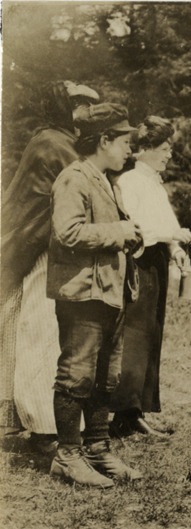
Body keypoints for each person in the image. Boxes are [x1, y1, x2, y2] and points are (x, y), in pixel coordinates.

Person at [47, 102, 144, 487]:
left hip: (109, 293)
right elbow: (67, 233)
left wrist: (130, 235)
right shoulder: (74, 178)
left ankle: (98, 450)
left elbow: (108, 232)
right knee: (77, 375)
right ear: (104, 140)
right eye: (125, 142)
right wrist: (118, 232)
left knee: (106, 376)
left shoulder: (105, 180)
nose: (129, 151)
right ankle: (67, 456)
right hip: (82, 296)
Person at [1, 81, 99, 449]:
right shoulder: (54, 144)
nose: (87, 111)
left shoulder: (57, 140)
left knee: (26, 331)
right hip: (35, 247)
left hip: (40, 244)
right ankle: (44, 427)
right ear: (65, 107)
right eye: (80, 104)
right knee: (39, 332)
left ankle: (24, 418)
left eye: (89, 104)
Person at [110, 116, 191, 438]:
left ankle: (138, 410)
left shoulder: (155, 184)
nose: (169, 154)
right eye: (164, 148)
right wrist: (171, 235)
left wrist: (176, 249)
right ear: (144, 149)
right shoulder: (129, 182)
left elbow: (166, 225)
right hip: (138, 264)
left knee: (152, 334)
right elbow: (136, 229)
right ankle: (123, 413)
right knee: (135, 337)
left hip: (156, 263)